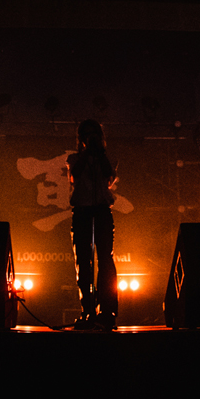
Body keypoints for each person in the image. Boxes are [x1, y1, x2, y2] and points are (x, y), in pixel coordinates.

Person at [66, 119, 118, 330]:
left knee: (105, 261)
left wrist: (99, 152)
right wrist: (87, 152)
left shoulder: (105, 158)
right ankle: (87, 310)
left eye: (93, 134)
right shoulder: (74, 158)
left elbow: (108, 176)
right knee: (83, 262)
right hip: (82, 212)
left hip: (102, 211)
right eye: (86, 134)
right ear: (81, 138)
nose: (90, 137)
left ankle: (107, 311)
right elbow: (75, 175)